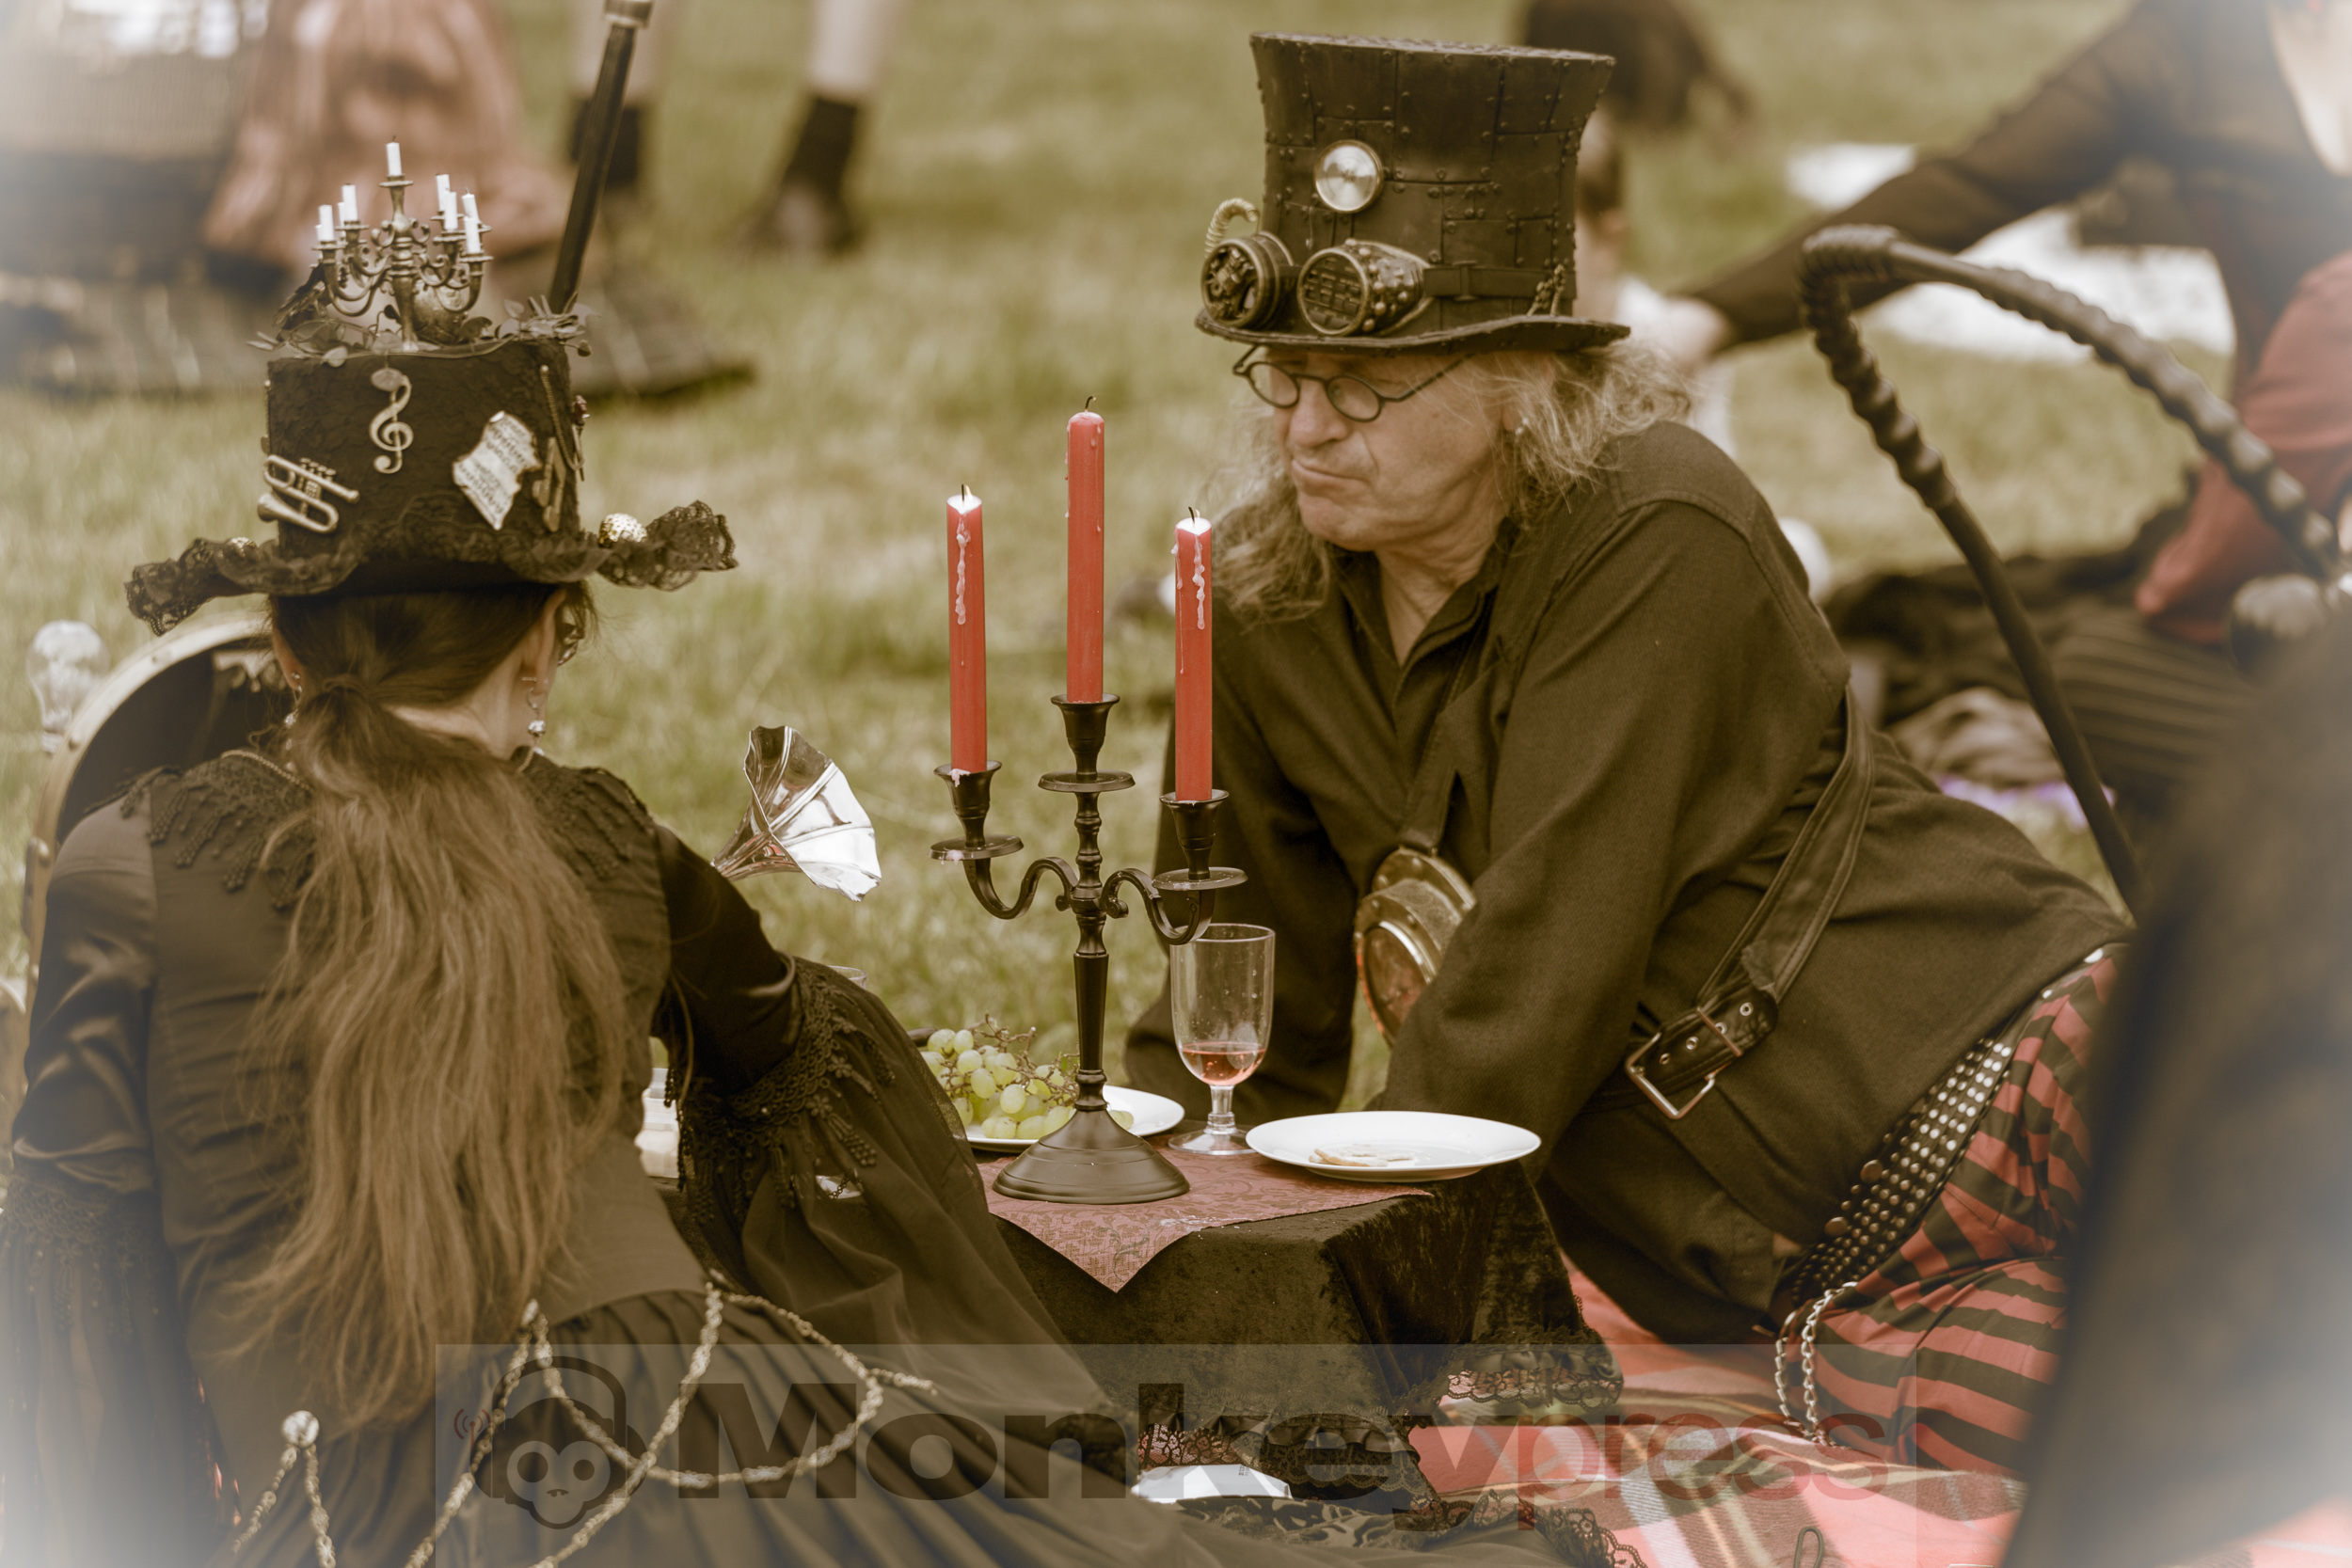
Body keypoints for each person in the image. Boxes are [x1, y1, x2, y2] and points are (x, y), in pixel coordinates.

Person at [0, 202, 1625, 1568]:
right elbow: (793, 1065)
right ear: (547, 640)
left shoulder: (132, 865)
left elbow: (75, 1277)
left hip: (350, 1512)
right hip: (710, 1455)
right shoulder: (603, 842)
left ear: (281, 639)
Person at [1130, 31, 2129, 1476]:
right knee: (2175, 1419)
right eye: (1280, 375)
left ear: (1519, 378)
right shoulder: (1263, 613)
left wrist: (1320, 1315)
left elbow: (1534, 984)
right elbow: (1234, 1029)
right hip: (1811, 1288)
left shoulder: (1656, 523)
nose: (1303, 427)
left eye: (1362, 384)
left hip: (2025, 1064)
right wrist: (1172, 1270)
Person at [1636, 0, 2352, 827]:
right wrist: (1706, 319)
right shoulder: (2189, 48)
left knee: (2101, 671)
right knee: (2033, 650)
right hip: (2269, 498)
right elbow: (1971, 185)